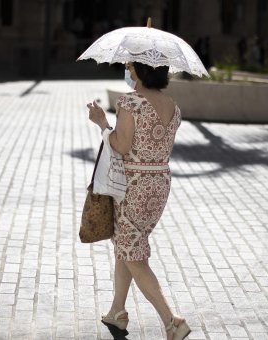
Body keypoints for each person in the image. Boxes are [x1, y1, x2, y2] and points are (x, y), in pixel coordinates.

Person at [86, 61, 191, 340]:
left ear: (141, 72)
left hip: (132, 185)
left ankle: (172, 321)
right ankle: (117, 312)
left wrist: (102, 123)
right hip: (159, 183)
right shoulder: (172, 105)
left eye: (131, 67)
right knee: (128, 244)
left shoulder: (130, 103)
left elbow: (121, 145)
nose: (127, 71)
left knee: (132, 250)